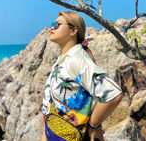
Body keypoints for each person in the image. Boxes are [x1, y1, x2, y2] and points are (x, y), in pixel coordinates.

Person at [41, 11, 123, 141]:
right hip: (54, 133)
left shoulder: (77, 60)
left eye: (57, 24)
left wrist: (93, 126)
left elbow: (113, 93)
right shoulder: (64, 59)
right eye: (53, 24)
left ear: (73, 31)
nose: (52, 27)